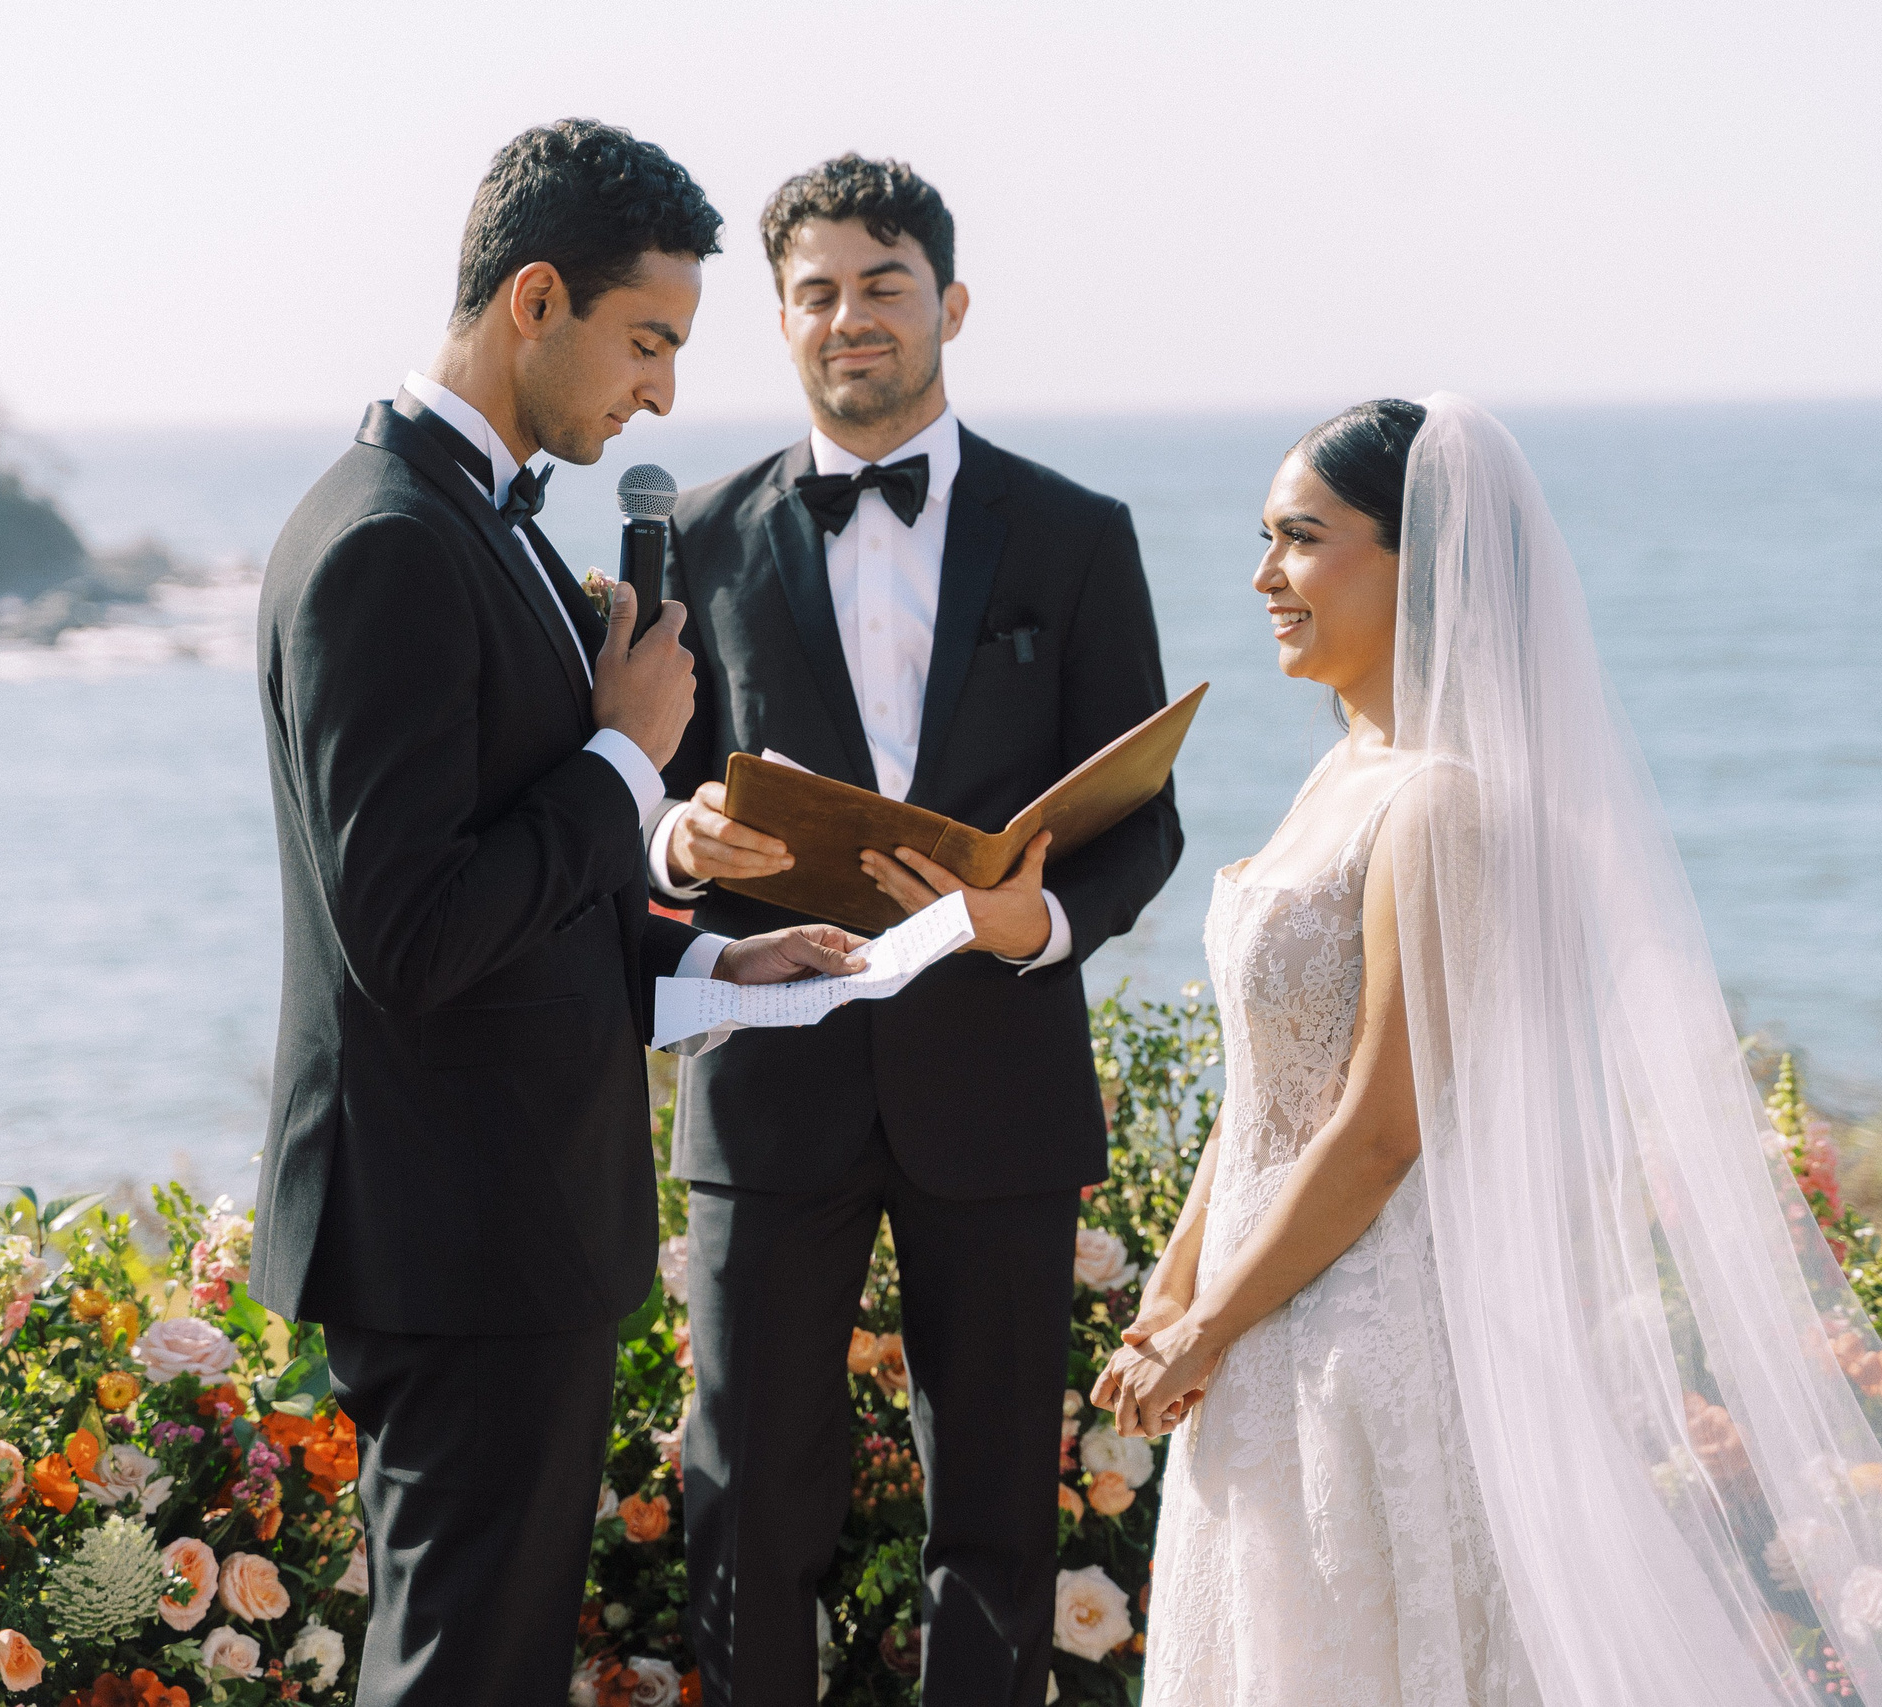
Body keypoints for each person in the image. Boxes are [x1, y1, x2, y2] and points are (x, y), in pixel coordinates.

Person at [1094, 397, 1882, 1706]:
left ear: (1421, 560)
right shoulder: (1342, 773)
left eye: (1301, 539)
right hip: (1254, 1328)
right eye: (1266, 539)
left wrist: (1214, 1320)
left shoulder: (1439, 806)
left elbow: (1381, 1124)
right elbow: (1264, 1098)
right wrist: (1175, 1308)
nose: (1262, 576)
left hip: (1362, 1337)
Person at [249, 121, 865, 1707]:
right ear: (536, 300)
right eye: (646, 340)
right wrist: (619, 755)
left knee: (489, 1664)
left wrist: (718, 956)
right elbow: (413, 933)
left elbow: (513, 907)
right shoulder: (391, 543)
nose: (660, 391)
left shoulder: (484, 524)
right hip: (458, 1240)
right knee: (462, 1674)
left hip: (496, 1230)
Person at [649, 155, 1182, 1705]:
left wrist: (1039, 923)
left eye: (882, 285)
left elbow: (1141, 812)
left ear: (949, 303)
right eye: (814, 293)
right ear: (782, 322)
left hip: (1000, 1076)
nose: (849, 318)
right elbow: (645, 799)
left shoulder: (1078, 536)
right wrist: (678, 839)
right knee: (744, 1495)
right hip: (766, 1082)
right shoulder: (692, 535)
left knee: (1002, 1510)